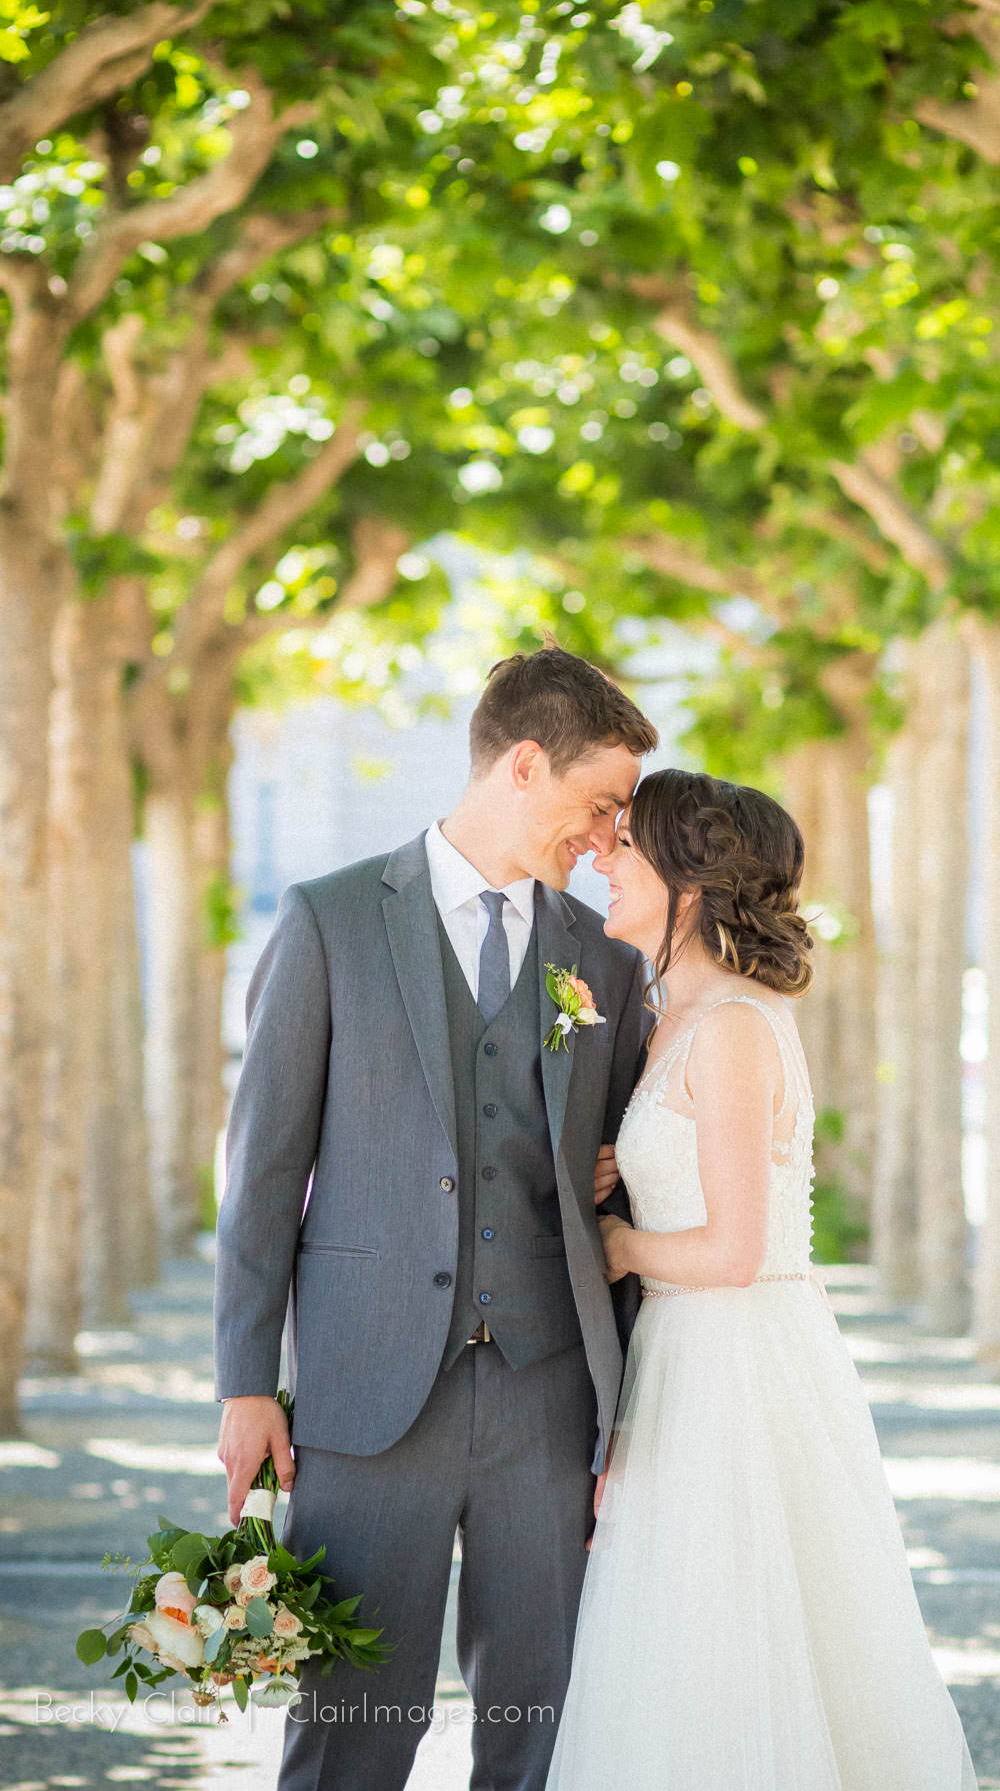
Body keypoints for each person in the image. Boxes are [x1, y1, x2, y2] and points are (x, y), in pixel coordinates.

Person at [212, 643, 659, 1791]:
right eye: (600, 803)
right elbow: (263, 1172)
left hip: (546, 1399)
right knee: (350, 1728)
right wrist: (246, 1383)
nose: (609, 836)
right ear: (523, 763)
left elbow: (627, 1180)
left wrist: (625, 1414)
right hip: (368, 1399)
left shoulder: (600, 965)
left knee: (544, 1721)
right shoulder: (331, 921)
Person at [545, 767, 980, 1791]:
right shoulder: (679, 1020)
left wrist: (619, 1245)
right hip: (686, 1358)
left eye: (626, 845)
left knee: (729, 1647)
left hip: (731, 1373)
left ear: (686, 885)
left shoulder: (733, 1027)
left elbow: (738, 1250)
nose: (602, 857)